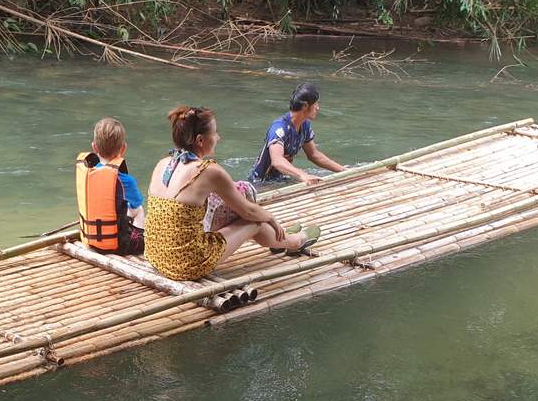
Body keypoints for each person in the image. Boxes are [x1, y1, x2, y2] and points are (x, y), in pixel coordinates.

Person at [144, 106, 321, 281]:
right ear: (200, 140)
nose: (218, 138)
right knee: (256, 222)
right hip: (185, 265)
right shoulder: (209, 171)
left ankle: (279, 239)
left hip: (156, 255)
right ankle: (294, 242)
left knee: (237, 213)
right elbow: (249, 212)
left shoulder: (163, 163)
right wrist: (271, 218)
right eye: (214, 134)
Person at [248, 83, 348, 186]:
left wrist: (343, 171)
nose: (318, 108)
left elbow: (314, 155)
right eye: (315, 104)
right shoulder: (279, 128)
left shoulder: (304, 125)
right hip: (261, 183)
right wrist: (303, 175)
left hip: (279, 179)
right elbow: (277, 160)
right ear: (305, 105)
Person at [75, 117, 145, 255]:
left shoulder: (88, 173)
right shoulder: (126, 180)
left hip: (90, 241)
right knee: (139, 210)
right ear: (123, 148)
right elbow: (135, 206)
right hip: (119, 245)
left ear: (94, 147)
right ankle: (139, 239)